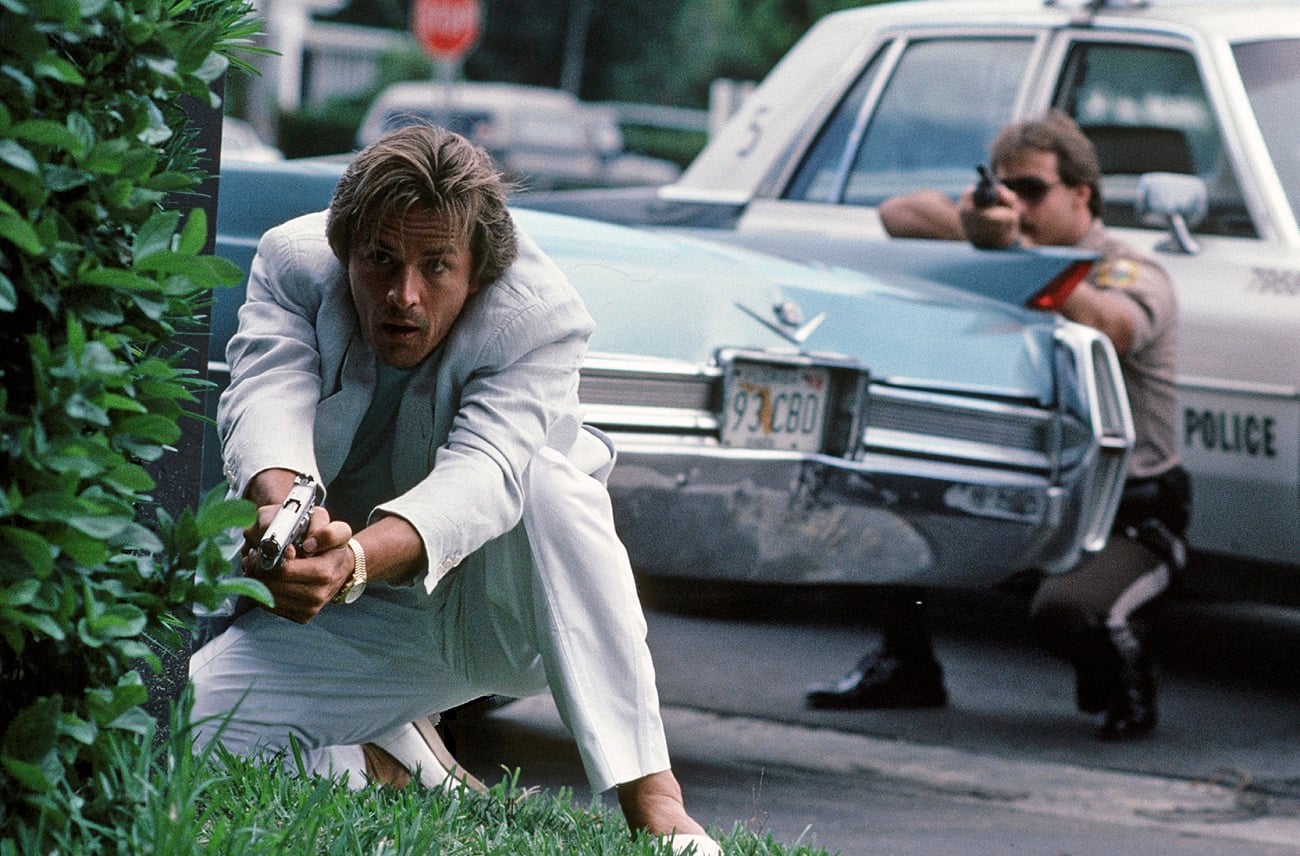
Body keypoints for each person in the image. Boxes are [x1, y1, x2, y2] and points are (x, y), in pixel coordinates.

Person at [189, 125, 720, 854]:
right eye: (380, 260)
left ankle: (654, 796)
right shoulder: (292, 262)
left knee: (544, 482)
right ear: (345, 251)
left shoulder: (539, 315)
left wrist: (353, 561)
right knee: (191, 730)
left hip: (496, 608)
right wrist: (289, 519)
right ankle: (378, 755)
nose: (403, 296)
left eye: (436, 266)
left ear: (478, 271)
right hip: (352, 613)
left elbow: (485, 474)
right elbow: (265, 395)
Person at [805, 111, 1191, 741]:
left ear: (1081, 194)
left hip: (1122, 508)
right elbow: (898, 213)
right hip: (1022, 488)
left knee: (1069, 614)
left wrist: (1015, 250)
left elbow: (1112, 327)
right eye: (1005, 189)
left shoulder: (1128, 269)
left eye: (1032, 190)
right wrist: (979, 225)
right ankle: (906, 666)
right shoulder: (996, 243)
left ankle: (1125, 668)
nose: (1017, 205)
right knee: (890, 511)